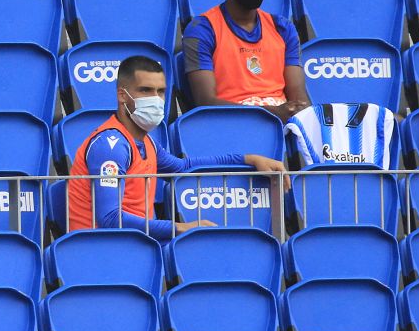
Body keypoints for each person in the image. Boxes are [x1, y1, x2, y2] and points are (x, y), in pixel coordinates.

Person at [67, 56, 286, 237]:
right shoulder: (110, 146)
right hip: (100, 250)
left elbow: (183, 166)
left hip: (135, 246)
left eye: (161, 91)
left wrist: (248, 159)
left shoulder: (146, 141)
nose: (156, 99)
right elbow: (110, 218)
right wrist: (178, 227)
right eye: (146, 90)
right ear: (123, 96)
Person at [183, 0, 310, 120]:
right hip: (233, 125)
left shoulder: (283, 28)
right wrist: (270, 114)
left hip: (284, 125)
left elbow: (299, 98)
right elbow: (205, 102)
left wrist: (292, 113)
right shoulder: (202, 29)